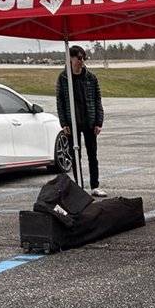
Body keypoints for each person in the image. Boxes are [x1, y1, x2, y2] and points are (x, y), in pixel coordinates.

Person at [56, 46, 105, 196]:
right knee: (75, 155)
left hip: (89, 121)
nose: (81, 61)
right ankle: (79, 186)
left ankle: (95, 185)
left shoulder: (91, 77)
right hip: (73, 124)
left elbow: (97, 100)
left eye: (83, 58)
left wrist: (98, 121)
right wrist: (64, 123)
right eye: (79, 58)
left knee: (93, 155)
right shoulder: (64, 78)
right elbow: (60, 102)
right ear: (70, 58)